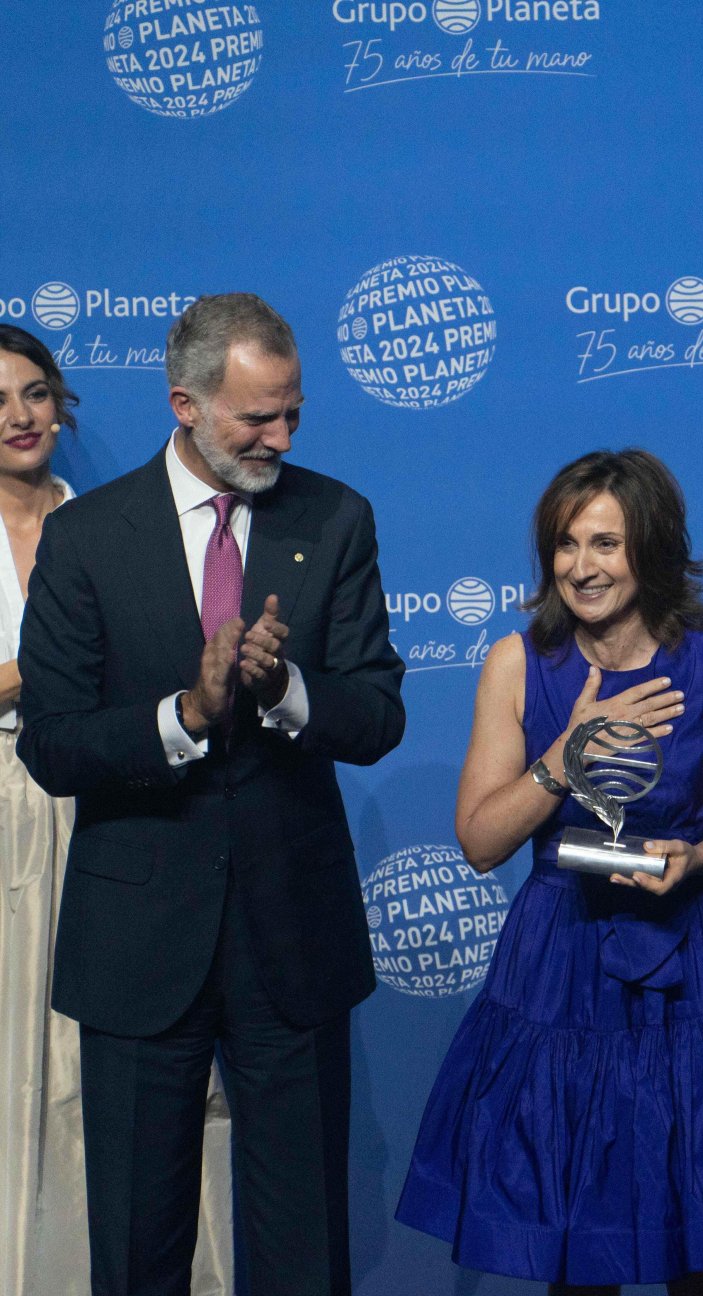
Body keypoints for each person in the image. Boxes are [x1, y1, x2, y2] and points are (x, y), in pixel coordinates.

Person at [396, 448, 703, 1294]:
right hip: (559, 959)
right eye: (567, 544)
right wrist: (563, 757)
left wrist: (695, 856)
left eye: (607, 545)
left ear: (651, 551)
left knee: (700, 1229)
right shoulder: (517, 663)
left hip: (691, 959)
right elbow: (479, 842)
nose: (583, 568)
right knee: (577, 1234)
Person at [17, 294, 406, 1296]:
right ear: (183, 402)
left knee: (301, 1250)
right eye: (254, 419)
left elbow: (376, 717)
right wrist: (188, 710)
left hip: (294, 937)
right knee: (138, 1247)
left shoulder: (337, 517)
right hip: (139, 940)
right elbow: (55, 747)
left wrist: (286, 691)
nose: (279, 437)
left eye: (292, 414)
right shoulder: (89, 537)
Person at [0, 325, 234, 1295]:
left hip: (118, 813)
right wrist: (37, 677)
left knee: (124, 1072)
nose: (18, 416)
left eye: (34, 393)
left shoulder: (108, 524)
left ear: (62, 402)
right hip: (9, 821)